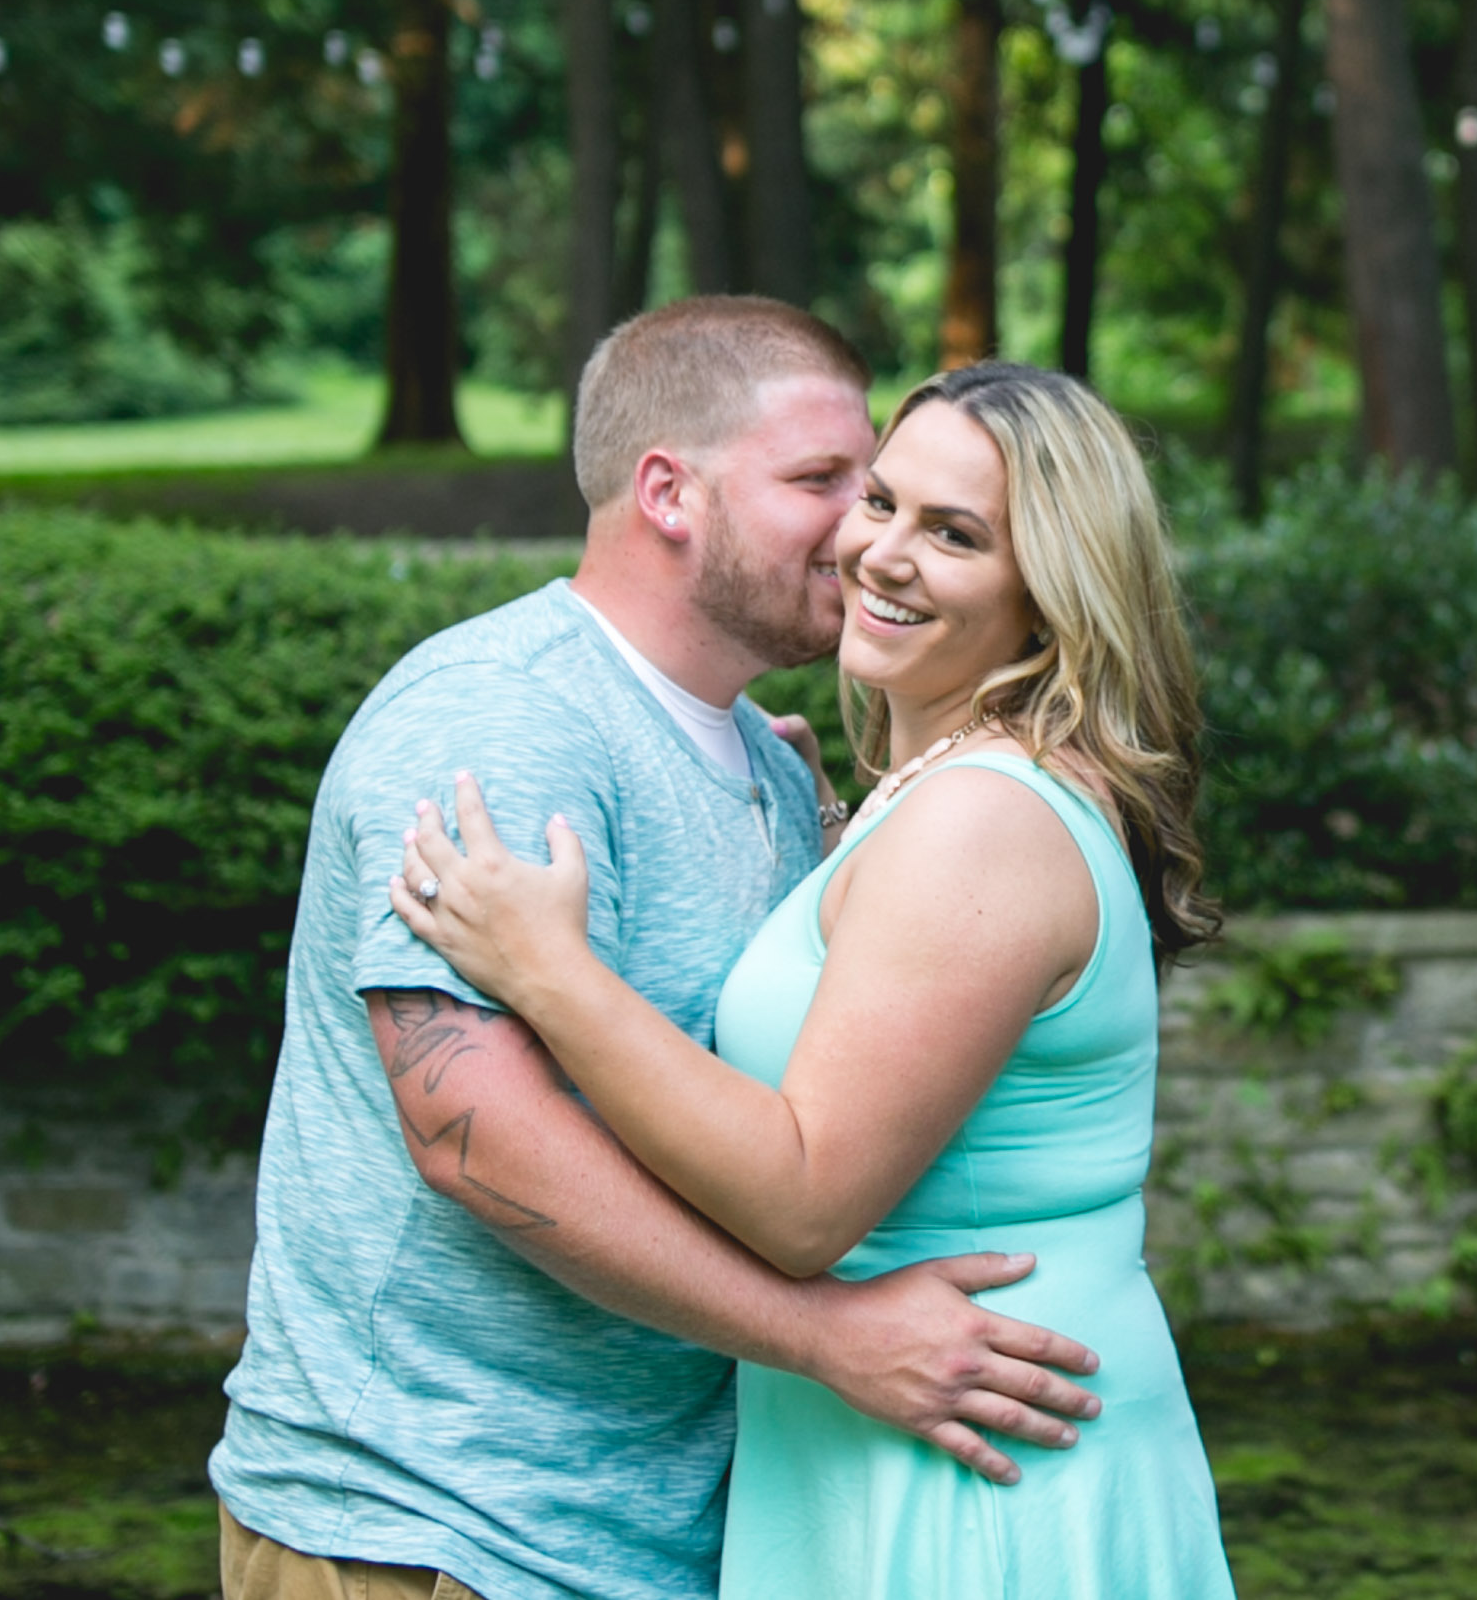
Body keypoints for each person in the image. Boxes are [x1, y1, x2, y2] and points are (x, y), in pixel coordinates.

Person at [211, 300, 1106, 1600]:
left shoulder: (763, 762)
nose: (866, 529)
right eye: (825, 483)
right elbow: (473, 1135)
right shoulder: (501, 722)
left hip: (655, 1536)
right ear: (669, 492)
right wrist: (828, 1340)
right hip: (430, 1528)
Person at [393, 358, 1239, 1600]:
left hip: (969, 1436)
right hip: (903, 1415)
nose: (882, 553)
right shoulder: (948, 804)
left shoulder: (978, 824)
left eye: (954, 534)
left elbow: (801, 1200)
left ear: (1050, 595)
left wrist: (549, 970)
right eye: (880, 501)